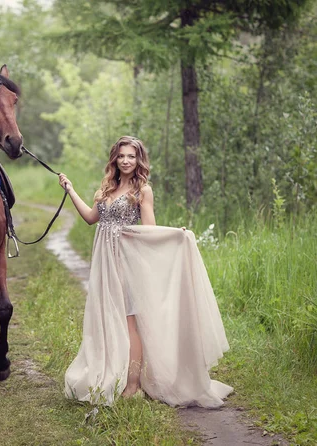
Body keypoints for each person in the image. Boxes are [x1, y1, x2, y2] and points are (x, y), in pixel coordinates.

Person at [59, 136, 233, 408]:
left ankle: (133, 384)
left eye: (131, 156)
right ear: (114, 159)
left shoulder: (143, 190)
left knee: (130, 322)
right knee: (109, 318)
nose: (126, 161)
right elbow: (91, 218)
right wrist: (70, 190)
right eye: (121, 156)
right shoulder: (105, 189)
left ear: (138, 160)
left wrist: (175, 235)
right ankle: (114, 371)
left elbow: (149, 231)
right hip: (105, 263)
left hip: (127, 262)